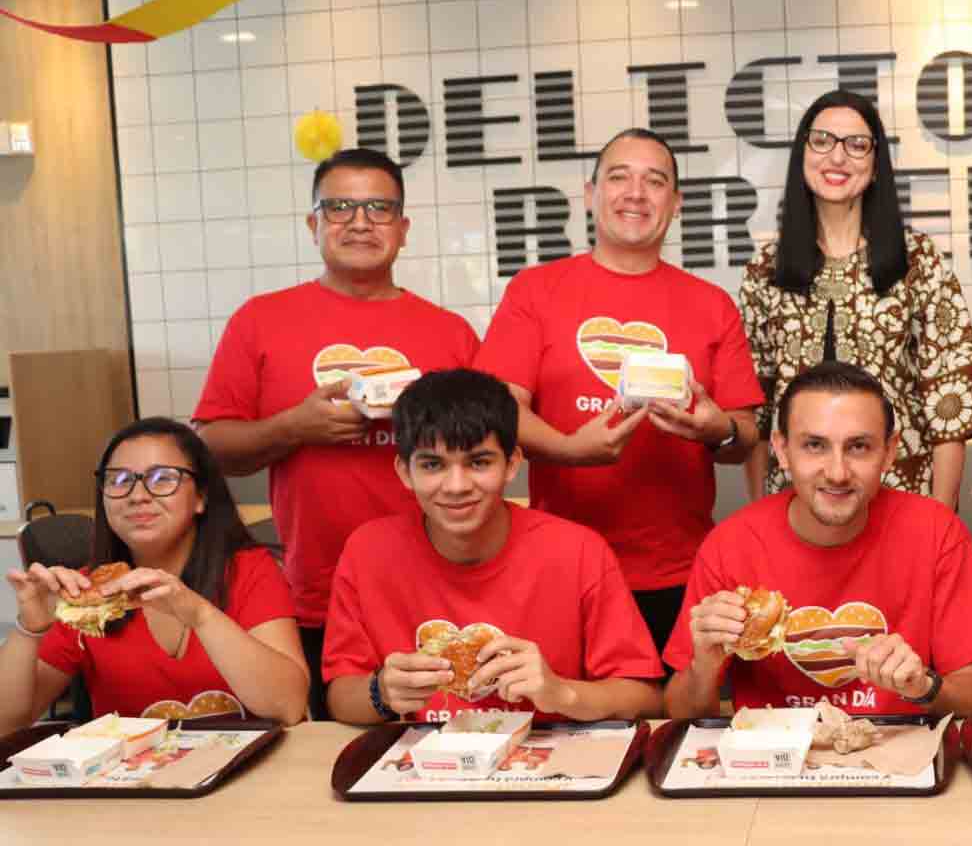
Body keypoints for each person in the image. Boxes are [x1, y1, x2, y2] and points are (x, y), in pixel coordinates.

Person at [193, 147, 480, 717]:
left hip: (438, 587)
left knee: (450, 740)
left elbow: (485, 451)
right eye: (340, 207)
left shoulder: (450, 333)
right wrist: (295, 426)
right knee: (332, 744)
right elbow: (210, 450)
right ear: (313, 223)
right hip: (315, 590)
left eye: (379, 208)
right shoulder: (261, 321)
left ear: (403, 228)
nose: (360, 222)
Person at [475, 128, 763, 655]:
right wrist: (570, 450)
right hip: (562, 566)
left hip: (679, 572)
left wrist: (715, 428)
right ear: (590, 194)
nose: (635, 193)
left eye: (655, 181)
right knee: (566, 708)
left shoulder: (712, 305)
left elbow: (743, 438)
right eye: (618, 177)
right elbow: (497, 408)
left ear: (675, 202)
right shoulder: (535, 291)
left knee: (677, 704)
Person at [662, 361, 972, 718]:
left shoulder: (935, 531)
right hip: (774, 751)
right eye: (815, 445)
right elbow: (678, 714)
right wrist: (703, 668)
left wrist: (923, 687)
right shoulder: (731, 545)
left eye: (858, 447)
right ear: (781, 450)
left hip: (900, 745)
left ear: (889, 452)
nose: (837, 473)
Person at [322, 369, 663, 724]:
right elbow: (340, 697)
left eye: (479, 462)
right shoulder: (367, 551)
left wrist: (562, 693)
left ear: (512, 464)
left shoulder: (579, 552)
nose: (456, 486)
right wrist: (381, 692)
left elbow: (648, 699)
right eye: (433, 465)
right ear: (405, 472)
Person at [738, 89, 972, 510]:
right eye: (822, 141)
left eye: (857, 145)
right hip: (796, 505)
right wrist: (759, 515)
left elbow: (950, 403)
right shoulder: (765, 270)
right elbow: (756, 413)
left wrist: (939, 521)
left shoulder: (918, 260)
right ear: (802, 154)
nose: (838, 157)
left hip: (903, 497)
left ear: (876, 165)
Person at [0, 419, 308, 734]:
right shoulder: (87, 594)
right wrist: (29, 628)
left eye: (162, 478)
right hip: (130, 767)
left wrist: (200, 614)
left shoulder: (250, 570)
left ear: (201, 496)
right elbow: (6, 725)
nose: (137, 495)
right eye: (119, 480)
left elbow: (288, 706)